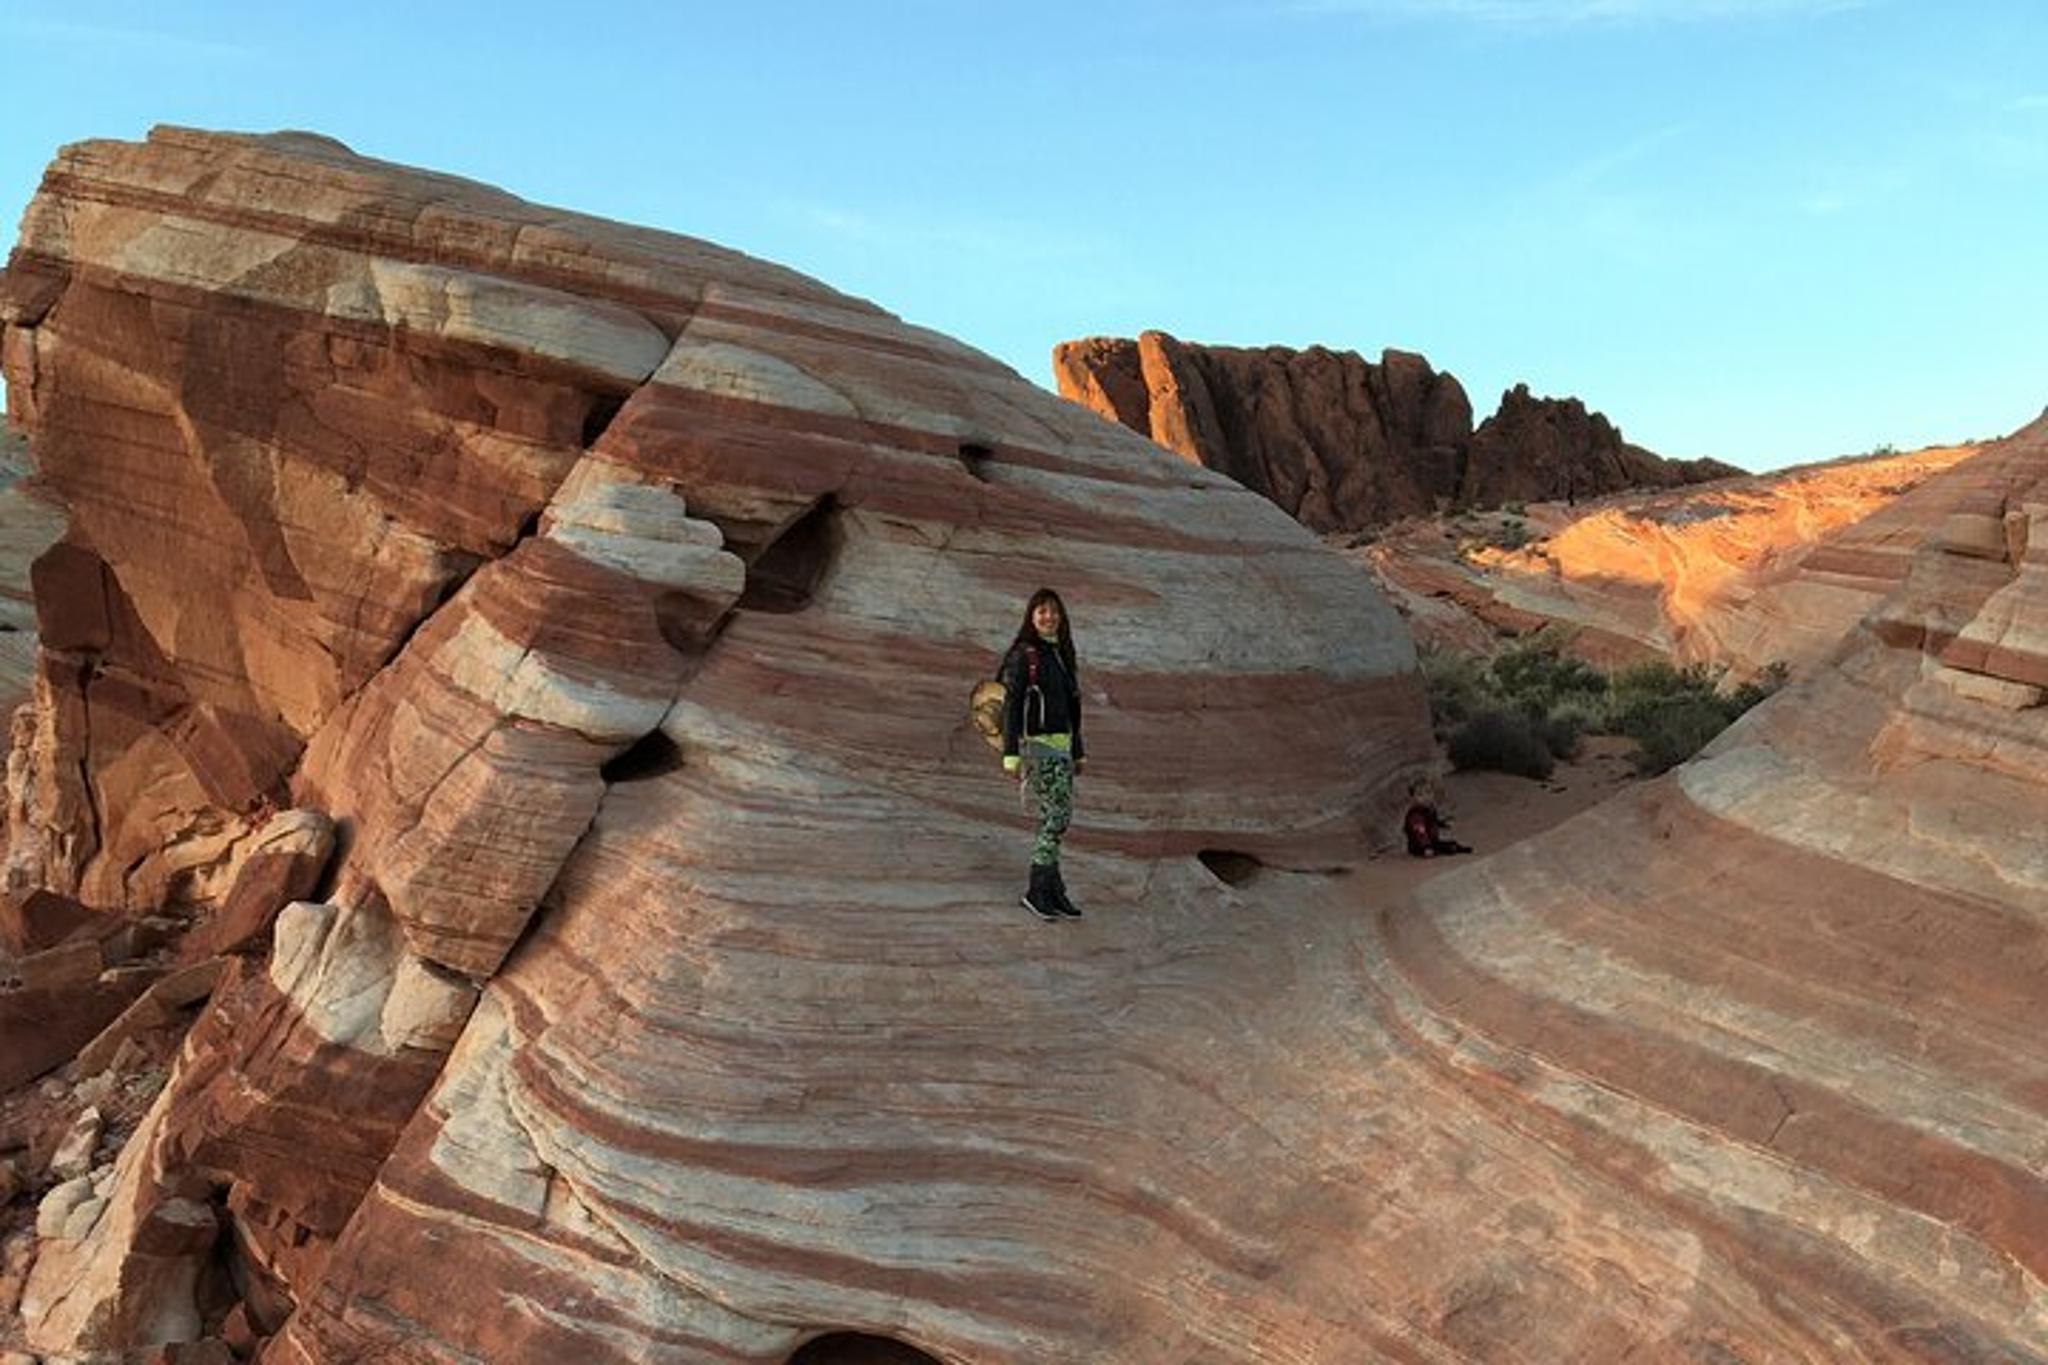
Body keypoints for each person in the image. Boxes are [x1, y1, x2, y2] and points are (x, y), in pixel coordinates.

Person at [1000, 588, 1085, 920]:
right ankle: (1037, 891)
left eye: (1053, 612)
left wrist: (1078, 751)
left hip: (1062, 747)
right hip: (1039, 747)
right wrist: (1010, 753)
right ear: (1031, 617)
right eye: (1041, 612)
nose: (1048, 617)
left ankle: (1053, 889)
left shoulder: (1061, 654)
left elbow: (1073, 708)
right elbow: (1011, 705)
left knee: (1056, 815)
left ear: (1061, 617)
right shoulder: (1025, 655)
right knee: (1057, 817)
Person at [1403, 779, 1472, 859]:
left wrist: (1443, 824)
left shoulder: (1429, 809)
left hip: (1432, 841)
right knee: (1438, 850)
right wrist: (1426, 847)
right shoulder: (1415, 815)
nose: (1425, 797)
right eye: (1420, 795)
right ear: (1413, 798)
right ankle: (1443, 849)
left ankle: (1456, 848)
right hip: (1418, 845)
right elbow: (1420, 833)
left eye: (1428, 792)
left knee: (1450, 844)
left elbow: (1432, 822)